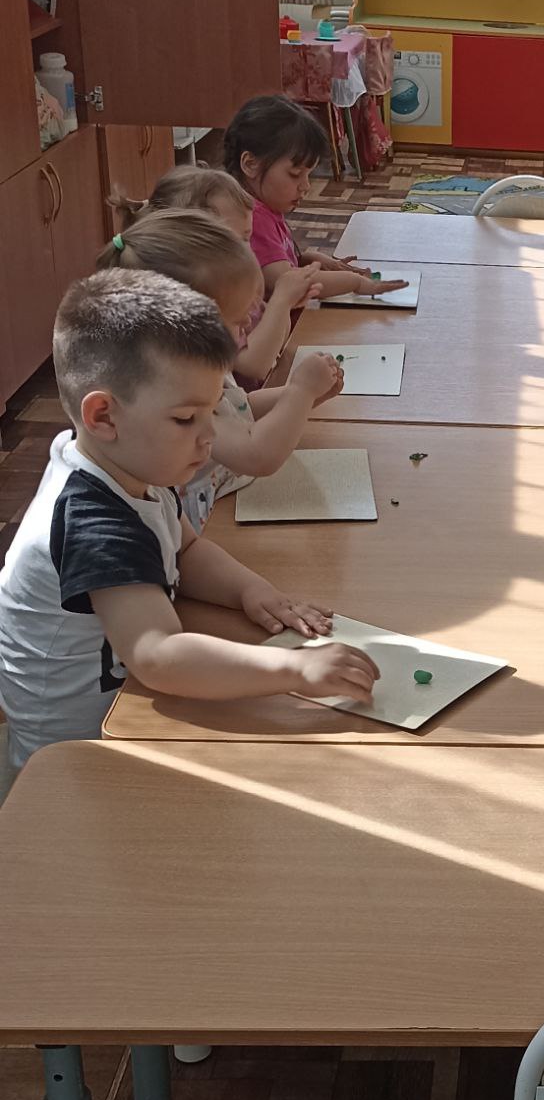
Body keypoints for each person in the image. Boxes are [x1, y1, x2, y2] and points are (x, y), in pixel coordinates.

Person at [0, 269, 378, 777]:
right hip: (76, 758)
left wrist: (250, 589)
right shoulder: (93, 521)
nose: (209, 438)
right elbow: (157, 656)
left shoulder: (133, 468)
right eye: (185, 419)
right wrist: (295, 668)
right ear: (104, 417)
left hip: (126, 707)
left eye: (212, 412)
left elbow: (186, 549)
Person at [98, 209, 343, 530]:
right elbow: (257, 455)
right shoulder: (177, 398)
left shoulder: (202, 366)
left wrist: (299, 397)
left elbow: (239, 407)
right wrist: (300, 392)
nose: (249, 326)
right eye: (239, 321)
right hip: (209, 525)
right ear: (185, 330)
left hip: (230, 501)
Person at [108, 164, 321, 384]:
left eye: (248, 237)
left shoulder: (238, 287)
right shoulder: (209, 304)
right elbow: (255, 366)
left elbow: (276, 344)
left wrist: (285, 306)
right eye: (236, 241)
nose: (248, 251)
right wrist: (281, 302)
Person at [223, 94, 407, 302]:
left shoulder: (266, 207)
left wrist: (307, 260)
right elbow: (287, 282)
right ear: (250, 164)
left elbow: (271, 267)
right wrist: (354, 282)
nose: (306, 186)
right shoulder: (251, 217)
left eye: (308, 175)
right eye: (295, 174)